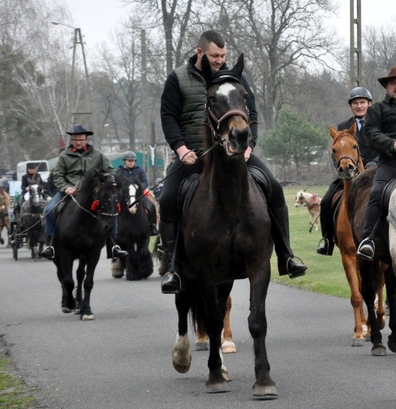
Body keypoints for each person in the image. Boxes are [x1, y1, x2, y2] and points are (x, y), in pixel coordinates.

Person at [159, 30, 306, 293]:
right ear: (201, 52)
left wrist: (249, 146)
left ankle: (286, 255)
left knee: (274, 186)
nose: (219, 60)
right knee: (168, 197)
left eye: (223, 56)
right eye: (215, 56)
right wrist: (181, 150)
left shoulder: (234, 79)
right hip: (193, 155)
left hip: (235, 152)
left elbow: (252, 115)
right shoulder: (178, 79)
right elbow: (168, 117)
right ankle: (173, 268)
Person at [40, 124, 126, 261]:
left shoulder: (97, 154)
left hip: (92, 193)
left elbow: (109, 170)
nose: (78, 142)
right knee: (49, 209)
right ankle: (51, 245)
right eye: (75, 139)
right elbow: (57, 175)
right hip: (69, 192)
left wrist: (107, 180)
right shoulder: (64, 156)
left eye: (81, 139)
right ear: (72, 140)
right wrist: (66, 187)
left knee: (111, 210)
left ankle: (113, 246)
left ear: (86, 139)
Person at [356, 66, 396, 260]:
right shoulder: (377, 109)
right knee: (376, 192)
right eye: (392, 84)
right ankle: (368, 240)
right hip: (390, 164)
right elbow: (371, 134)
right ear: (387, 88)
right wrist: (391, 143)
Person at [315, 86, 377, 256]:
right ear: (351, 106)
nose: (359, 106)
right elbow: (337, 152)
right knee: (327, 200)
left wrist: (372, 164)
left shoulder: (377, 123)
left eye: (362, 102)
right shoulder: (343, 126)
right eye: (355, 103)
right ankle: (327, 240)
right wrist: (341, 167)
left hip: (374, 173)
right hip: (347, 175)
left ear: (369, 104)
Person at [115, 151, 157, 236]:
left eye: (132, 161)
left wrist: (139, 188)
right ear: (125, 161)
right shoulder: (119, 171)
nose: (131, 163)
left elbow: (145, 181)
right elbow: (116, 182)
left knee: (151, 205)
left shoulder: (139, 170)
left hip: (138, 195)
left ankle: (152, 226)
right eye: (129, 161)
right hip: (123, 196)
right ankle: (114, 228)